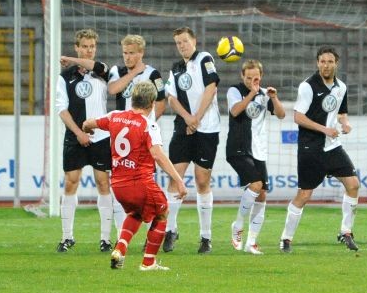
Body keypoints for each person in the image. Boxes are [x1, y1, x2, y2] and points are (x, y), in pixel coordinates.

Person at [82, 81, 187, 271]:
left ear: (133, 99)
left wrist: (87, 129)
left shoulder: (115, 116)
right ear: (152, 103)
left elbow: (88, 123)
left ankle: (120, 249)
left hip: (118, 186)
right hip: (140, 183)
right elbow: (158, 155)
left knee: (136, 213)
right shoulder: (148, 125)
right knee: (162, 212)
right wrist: (178, 180)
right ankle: (149, 262)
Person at [279, 45, 360, 254]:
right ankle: (286, 238)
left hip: (332, 147)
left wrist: (345, 123)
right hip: (310, 147)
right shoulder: (308, 86)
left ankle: (346, 232)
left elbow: (341, 112)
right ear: (317, 63)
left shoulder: (341, 87)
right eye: (322, 62)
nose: (326, 65)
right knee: (304, 195)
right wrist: (325, 129)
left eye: (330, 62)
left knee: (353, 184)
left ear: (336, 64)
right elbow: (298, 117)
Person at [55, 28, 114, 253]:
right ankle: (67, 236)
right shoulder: (65, 77)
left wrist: (71, 59)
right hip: (75, 136)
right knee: (71, 182)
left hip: (101, 136)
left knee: (103, 183)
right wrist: (78, 133)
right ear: (77, 47)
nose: (89, 50)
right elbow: (62, 109)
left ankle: (105, 239)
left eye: (92, 47)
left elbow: (95, 66)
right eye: (85, 47)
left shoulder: (103, 71)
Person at [162, 26, 221, 254]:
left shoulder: (204, 58)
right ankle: (170, 229)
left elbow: (211, 88)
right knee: (175, 177)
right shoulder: (176, 68)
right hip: (183, 128)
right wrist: (188, 118)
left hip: (207, 128)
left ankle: (206, 237)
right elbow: (171, 98)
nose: (182, 46)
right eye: (178, 43)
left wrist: (196, 118)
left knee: (202, 180)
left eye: (185, 41)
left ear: (194, 41)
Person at [107, 34, 167, 232]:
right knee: (119, 184)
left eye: (132, 53)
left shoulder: (153, 74)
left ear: (141, 53)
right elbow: (113, 89)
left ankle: (152, 232)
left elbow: (161, 102)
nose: (127, 57)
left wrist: (146, 125)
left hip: (142, 137)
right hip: (122, 136)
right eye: (125, 53)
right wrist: (133, 73)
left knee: (146, 183)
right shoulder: (117, 71)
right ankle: (120, 234)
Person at [226, 59, 286, 255]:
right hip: (238, 148)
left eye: (256, 78)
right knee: (256, 184)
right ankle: (238, 225)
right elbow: (235, 111)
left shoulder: (265, 94)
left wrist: (274, 98)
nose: (253, 81)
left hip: (258, 150)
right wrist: (252, 93)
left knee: (262, 194)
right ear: (242, 76)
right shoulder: (235, 91)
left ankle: (251, 242)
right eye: (249, 77)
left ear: (261, 77)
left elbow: (281, 114)